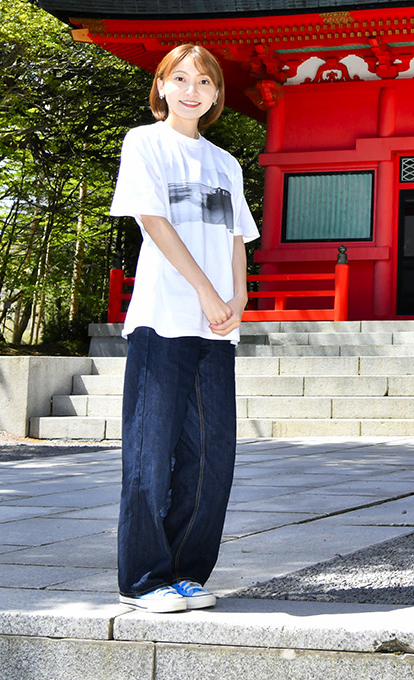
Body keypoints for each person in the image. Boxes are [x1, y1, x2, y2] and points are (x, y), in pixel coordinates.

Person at [110, 43, 258, 613]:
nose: (191, 89)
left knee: (212, 454)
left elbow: (235, 238)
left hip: (217, 325)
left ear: (217, 94)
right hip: (163, 316)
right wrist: (204, 290)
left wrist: (238, 296)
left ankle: (187, 571)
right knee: (150, 451)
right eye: (180, 78)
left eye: (203, 81)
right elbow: (154, 221)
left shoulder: (226, 163)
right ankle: (145, 578)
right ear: (162, 86)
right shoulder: (144, 143)